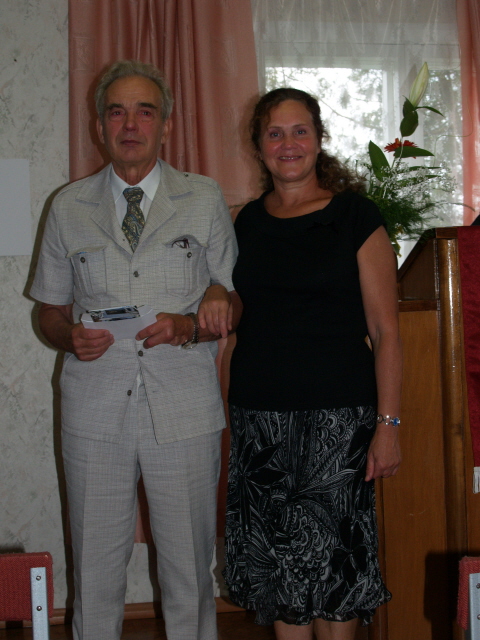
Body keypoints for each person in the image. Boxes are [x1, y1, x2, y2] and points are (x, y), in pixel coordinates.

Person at [30, 60, 240, 640]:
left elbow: (232, 297)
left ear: (166, 124)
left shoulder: (203, 198)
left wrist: (195, 319)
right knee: (94, 571)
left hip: (185, 409)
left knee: (189, 572)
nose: (130, 124)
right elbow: (48, 310)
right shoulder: (68, 206)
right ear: (99, 126)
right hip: (95, 412)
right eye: (116, 112)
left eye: (145, 111)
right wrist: (67, 335)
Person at [223, 88, 402, 640]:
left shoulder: (355, 216)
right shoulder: (243, 223)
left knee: (334, 572)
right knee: (278, 569)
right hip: (260, 420)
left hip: (338, 420)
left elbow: (385, 332)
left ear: (319, 139)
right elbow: (231, 312)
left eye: (299, 131)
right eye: (274, 133)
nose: (288, 143)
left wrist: (389, 426)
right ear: (258, 145)